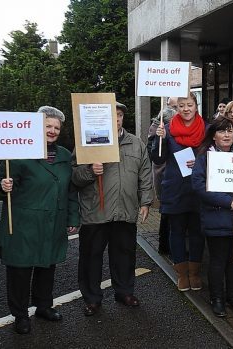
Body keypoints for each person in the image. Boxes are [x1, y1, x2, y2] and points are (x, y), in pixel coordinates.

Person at [0, 106, 79, 334]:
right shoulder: (18, 153)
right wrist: (3, 186)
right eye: (47, 126)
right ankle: (20, 315)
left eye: (56, 128)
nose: (52, 131)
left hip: (52, 223)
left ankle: (44, 306)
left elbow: (70, 191)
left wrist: (73, 216)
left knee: (46, 267)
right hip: (23, 225)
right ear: (37, 127)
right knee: (20, 271)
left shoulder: (64, 155)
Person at [72, 102, 154, 316]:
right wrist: (90, 170)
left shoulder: (136, 144)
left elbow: (145, 174)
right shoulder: (88, 143)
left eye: (119, 115)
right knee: (91, 257)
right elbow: (74, 177)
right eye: (111, 115)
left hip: (125, 211)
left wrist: (145, 201)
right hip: (95, 212)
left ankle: (124, 292)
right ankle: (92, 298)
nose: (116, 119)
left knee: (125, 255)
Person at [192, 117, 233, 317]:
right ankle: (217, 298)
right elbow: (198, 186)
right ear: (213, 136)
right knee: (218, 261)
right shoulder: (205, 158)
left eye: (230, 130)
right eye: (222, 131)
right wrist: (225, 201)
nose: (227, 134)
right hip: (218, 218)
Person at [151, 92, 207, 292]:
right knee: (176, 232)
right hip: (175, 188)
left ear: (195, 105)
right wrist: (159, 141)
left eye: (189, 104)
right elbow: (158, 160)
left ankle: (194, 272)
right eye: (181, 105)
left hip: (198, 190)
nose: (186, 109)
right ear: (177, 108)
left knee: (197, 233)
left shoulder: (207, 129)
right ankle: (182, 274)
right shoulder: (165, 130)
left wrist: (202, 163)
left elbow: (216, 157)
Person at [147, 106, 176, 255]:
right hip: (162, 175)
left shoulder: (155, 130)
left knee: (166, 213)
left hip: (163, 175)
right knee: (166, 213)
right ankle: (164, 245)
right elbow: (156, 156)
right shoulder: (156, 133)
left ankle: (164, 245)